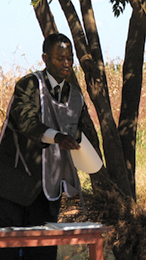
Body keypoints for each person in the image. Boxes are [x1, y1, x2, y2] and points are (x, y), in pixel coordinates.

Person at [0, 33, 87, 260]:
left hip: (48, 192)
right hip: (13, 187)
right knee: (8, 250)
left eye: (70, 58)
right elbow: (27, 121)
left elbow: (80, 135)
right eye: (60, 58)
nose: (67, 63)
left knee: (42, 252)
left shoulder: (75, 96)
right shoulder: (29, 85)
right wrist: (57, 137)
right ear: (45, 59)